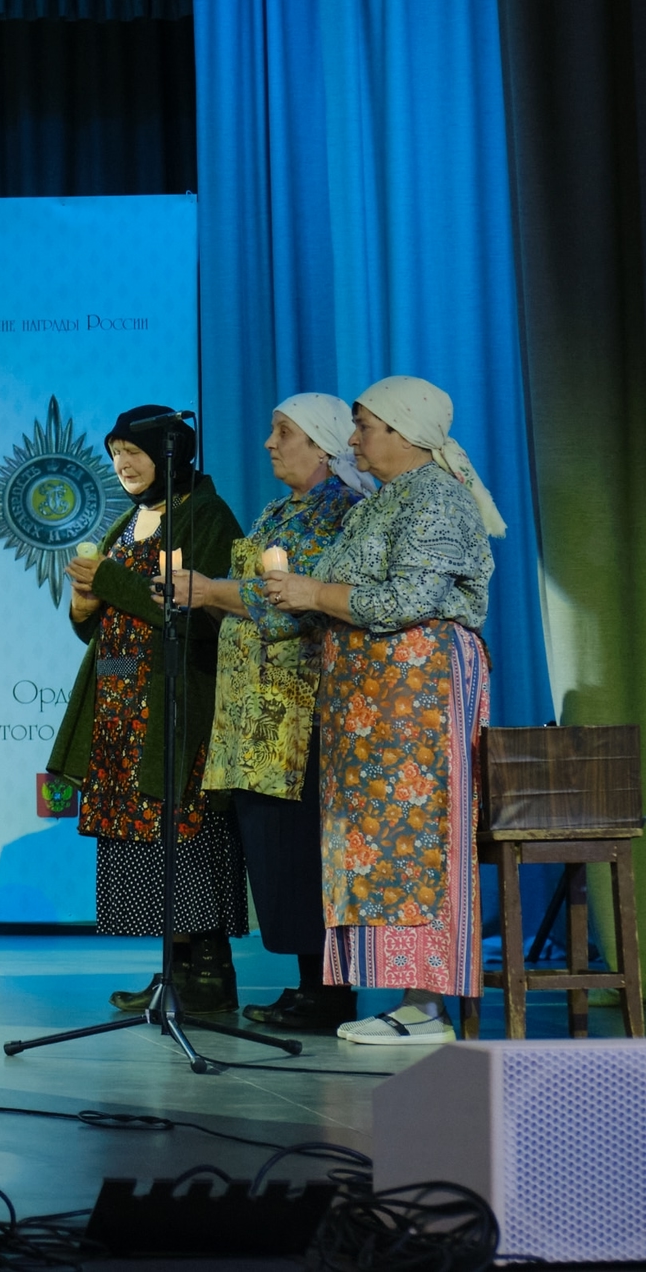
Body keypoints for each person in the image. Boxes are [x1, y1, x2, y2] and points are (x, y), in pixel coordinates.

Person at [261, 377, 503, 1046]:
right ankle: (405, 997)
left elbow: (409, 598)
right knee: (373, 841)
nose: (355, 438)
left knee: (414, 832)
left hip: (416, 691)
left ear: (404, 432)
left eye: (365, 426)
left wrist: (314, 592)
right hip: (371, 697)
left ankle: (426, 1004)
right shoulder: (385, 500)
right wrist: (299, 597)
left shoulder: (436, 498)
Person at [167, 395, 370, 1033]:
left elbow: (299, 600)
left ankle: (329, 991)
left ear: (323, 444)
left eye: (284, 432)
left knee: (301, 848)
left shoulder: (342, 511)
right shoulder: (280, 511)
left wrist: (211, 589)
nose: (269, 443)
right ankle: (308, 983)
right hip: (254, 711)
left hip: (299, 711)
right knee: (275, 851)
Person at [48, 406, 248, 1014]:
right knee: (144, 839)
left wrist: (110, 582)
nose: (123, 465)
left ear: (169, 452)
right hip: (119, 707)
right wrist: (83, 607)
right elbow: (102, 625)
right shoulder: (128, 521)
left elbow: (198, 614)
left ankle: (208, 973)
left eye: (133, 452)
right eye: (115, 454)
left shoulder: (206, 514)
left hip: (174, 701)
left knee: (185, 830)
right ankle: (172, 971)